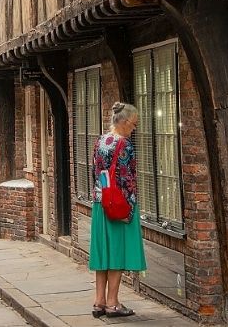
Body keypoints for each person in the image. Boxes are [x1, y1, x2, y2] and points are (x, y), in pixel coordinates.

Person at [89, 102, 145, 319]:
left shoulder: (101, 141)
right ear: (123, 121)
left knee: (103, 253)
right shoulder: (125, 145)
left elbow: (97, 172)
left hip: (100, 201)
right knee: (117, 253)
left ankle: (99, 301)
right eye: (133, 124)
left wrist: (102, 194)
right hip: (119, 204)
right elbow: (128, 179)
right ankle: (113, 303)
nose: (134, 128)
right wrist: (129, 210)